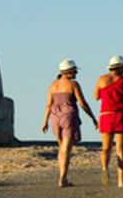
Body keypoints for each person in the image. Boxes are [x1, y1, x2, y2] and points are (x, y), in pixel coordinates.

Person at [42, 58, 99, 188]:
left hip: (54, 118)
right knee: (66, 149)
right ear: (66, 72)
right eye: (74, 71)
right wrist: (92, 117)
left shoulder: (53, 85)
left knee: (61, 148)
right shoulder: (73, 84)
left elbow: (48, 105)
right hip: (68, 116)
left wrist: (45, 121)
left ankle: (63, 177)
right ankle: (63, 178)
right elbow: (83, 103)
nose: (76, 73)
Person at [95, 55, 123, 187]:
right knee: (120, 149)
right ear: (120, 68)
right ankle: (121, 181)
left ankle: (104, 168)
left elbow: (96, 96)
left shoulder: (101, 79)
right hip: (120, 115)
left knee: (106, 148)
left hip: (106, 115)